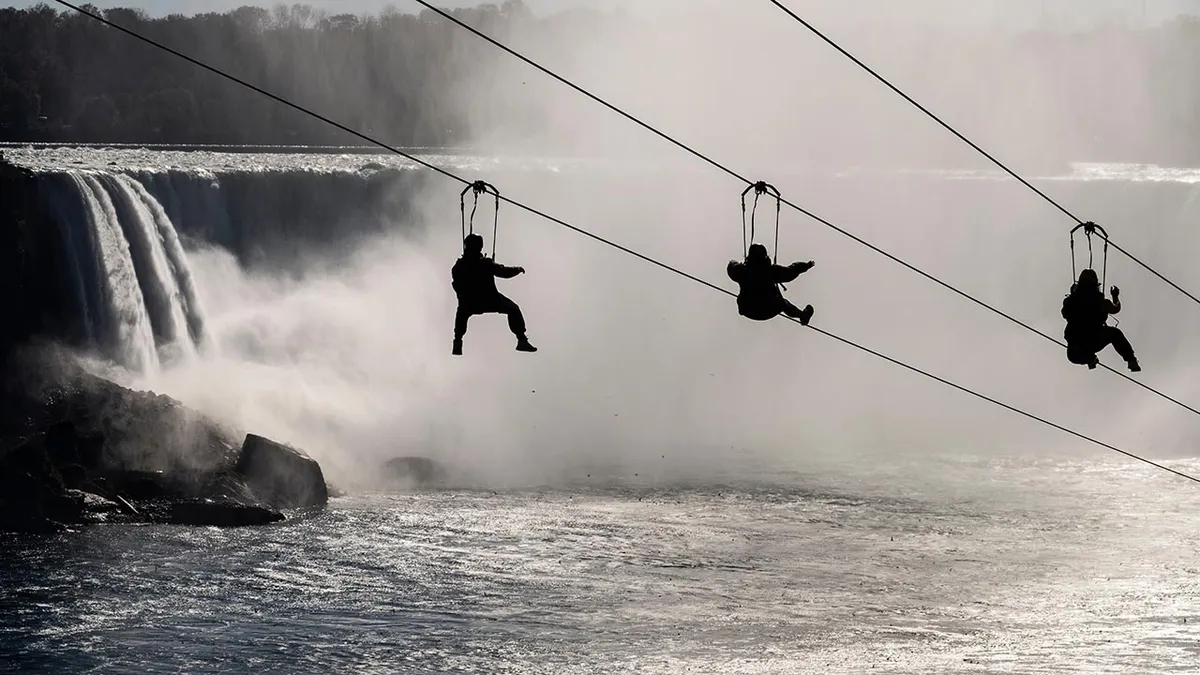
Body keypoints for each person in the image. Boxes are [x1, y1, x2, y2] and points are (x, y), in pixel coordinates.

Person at [451, 233, 537, 356]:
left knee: (462, 312)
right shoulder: (484, 264)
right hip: (490, 299)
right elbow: (503, 272)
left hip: (471, 302)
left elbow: (457, 286)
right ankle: (521, 340)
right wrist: (517, 269)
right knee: (513, 309)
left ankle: (458, 340)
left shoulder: (458, 267)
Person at [1061, 268, 1139, 372]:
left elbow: (1065, 314)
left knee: (1072, 355)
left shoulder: (1072, 301)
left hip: (1078, 342)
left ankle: (1090, 358)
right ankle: (1130, 360)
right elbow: (1116, 308)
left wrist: (1073, 295)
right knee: (1115, 333)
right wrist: (1115, 297)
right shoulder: (1099, 301)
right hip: (1093, 339)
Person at [726, 243, 815, 324]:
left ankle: (802, 316)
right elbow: (791, 272)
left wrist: (733, 262)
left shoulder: (743, 271)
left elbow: (731, 269)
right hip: (768, 309)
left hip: (748, 309)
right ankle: (802, 316)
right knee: (782, 303)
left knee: (781, 303)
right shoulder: (771, 271)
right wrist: (806, 265)